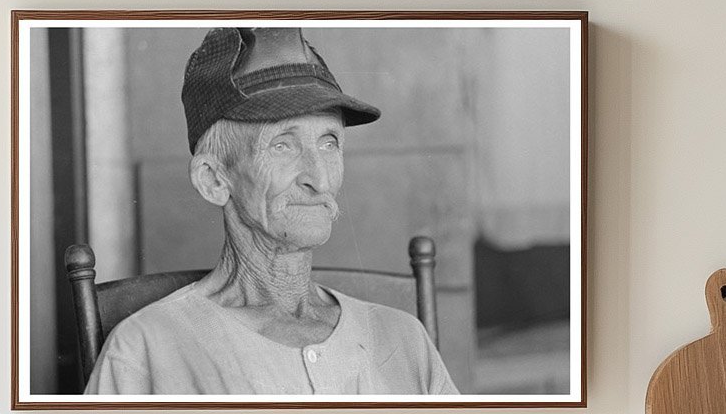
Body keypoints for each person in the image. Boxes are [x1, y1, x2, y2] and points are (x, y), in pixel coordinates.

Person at [85, 27, 459, 395]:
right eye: (283, 145)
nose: (319, 179)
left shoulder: (404, 340)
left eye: (329, 143)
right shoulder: (146, 352)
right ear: (213, 179)